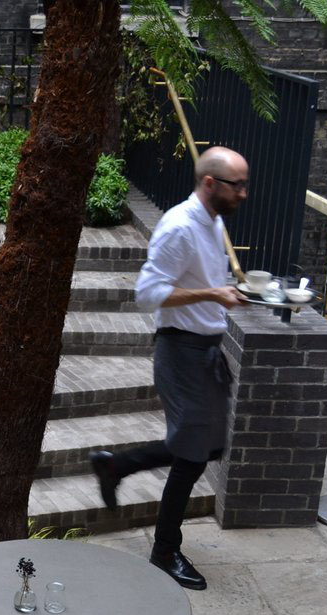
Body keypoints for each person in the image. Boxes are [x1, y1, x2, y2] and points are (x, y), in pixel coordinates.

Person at [89, 146, 249, 591]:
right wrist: (213, 295)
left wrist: (225, 292)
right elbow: (148, 292)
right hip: (181, 353)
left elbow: (200, 282)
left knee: (207, 448)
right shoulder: (179, 227)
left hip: (206, 350)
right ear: (211, 184)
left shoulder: (213, 221)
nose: (245, 193)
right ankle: (164, 551)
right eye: (238, 185)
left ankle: (116, 465)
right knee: (194, 454)